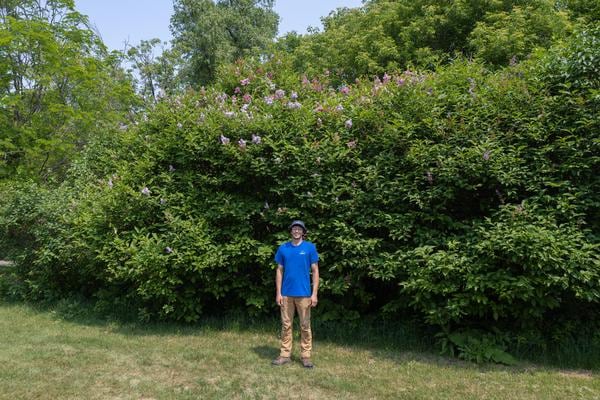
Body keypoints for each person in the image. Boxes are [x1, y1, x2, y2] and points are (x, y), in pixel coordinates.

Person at [271, 220, 320, 368]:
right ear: (291, 231)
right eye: (294, 229)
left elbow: (316, 271)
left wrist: (314, 294)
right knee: (286, 325)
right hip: (286, 294)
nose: (296, 231)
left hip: (304, 294)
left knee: (305, 326)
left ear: (303, 232)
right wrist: (278, 293)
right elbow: (279, 271)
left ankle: (305, 356)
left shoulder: (310, 248)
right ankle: (285, 355)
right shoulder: (283, 248)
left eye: (299, 229)